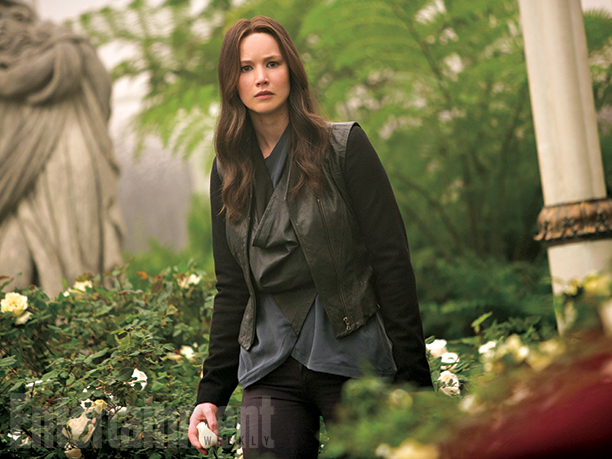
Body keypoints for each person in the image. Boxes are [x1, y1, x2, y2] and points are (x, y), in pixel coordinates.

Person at [188, 16, 432, 458]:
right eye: (246, 68)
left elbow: (391, 261)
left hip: (351, 356)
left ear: (291, 70)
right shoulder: (227, 171)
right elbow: (232, 287)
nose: (261, 78)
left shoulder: (344, 147)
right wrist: (212, 392)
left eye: (272, 63)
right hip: (268, 367)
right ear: (232, 83)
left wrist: (413, 380)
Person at [0, 0, 124, 297]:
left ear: (23, 16)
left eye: (8, 16)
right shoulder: (69, 49)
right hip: (15, 177)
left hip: (70, 159)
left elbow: (100, 92)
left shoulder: (69, 48)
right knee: (14, 263)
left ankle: (78, 318)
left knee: (78, 265)